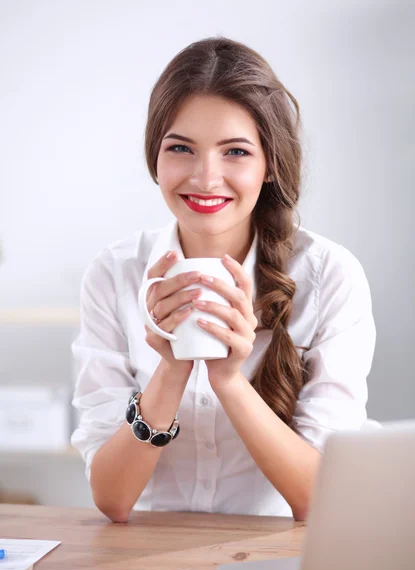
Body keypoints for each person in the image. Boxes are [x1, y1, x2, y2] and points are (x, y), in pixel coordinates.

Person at [71, 36, 376, 523]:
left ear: (269, 163)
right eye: (181, 148)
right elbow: (111, 499)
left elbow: (321, 500)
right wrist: (170, 370)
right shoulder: (115, 273)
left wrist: (229, 380)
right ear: (155, 157)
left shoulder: (327, 276)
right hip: (147, 551)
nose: (206, 177)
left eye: (235, 151)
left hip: (274, 556)